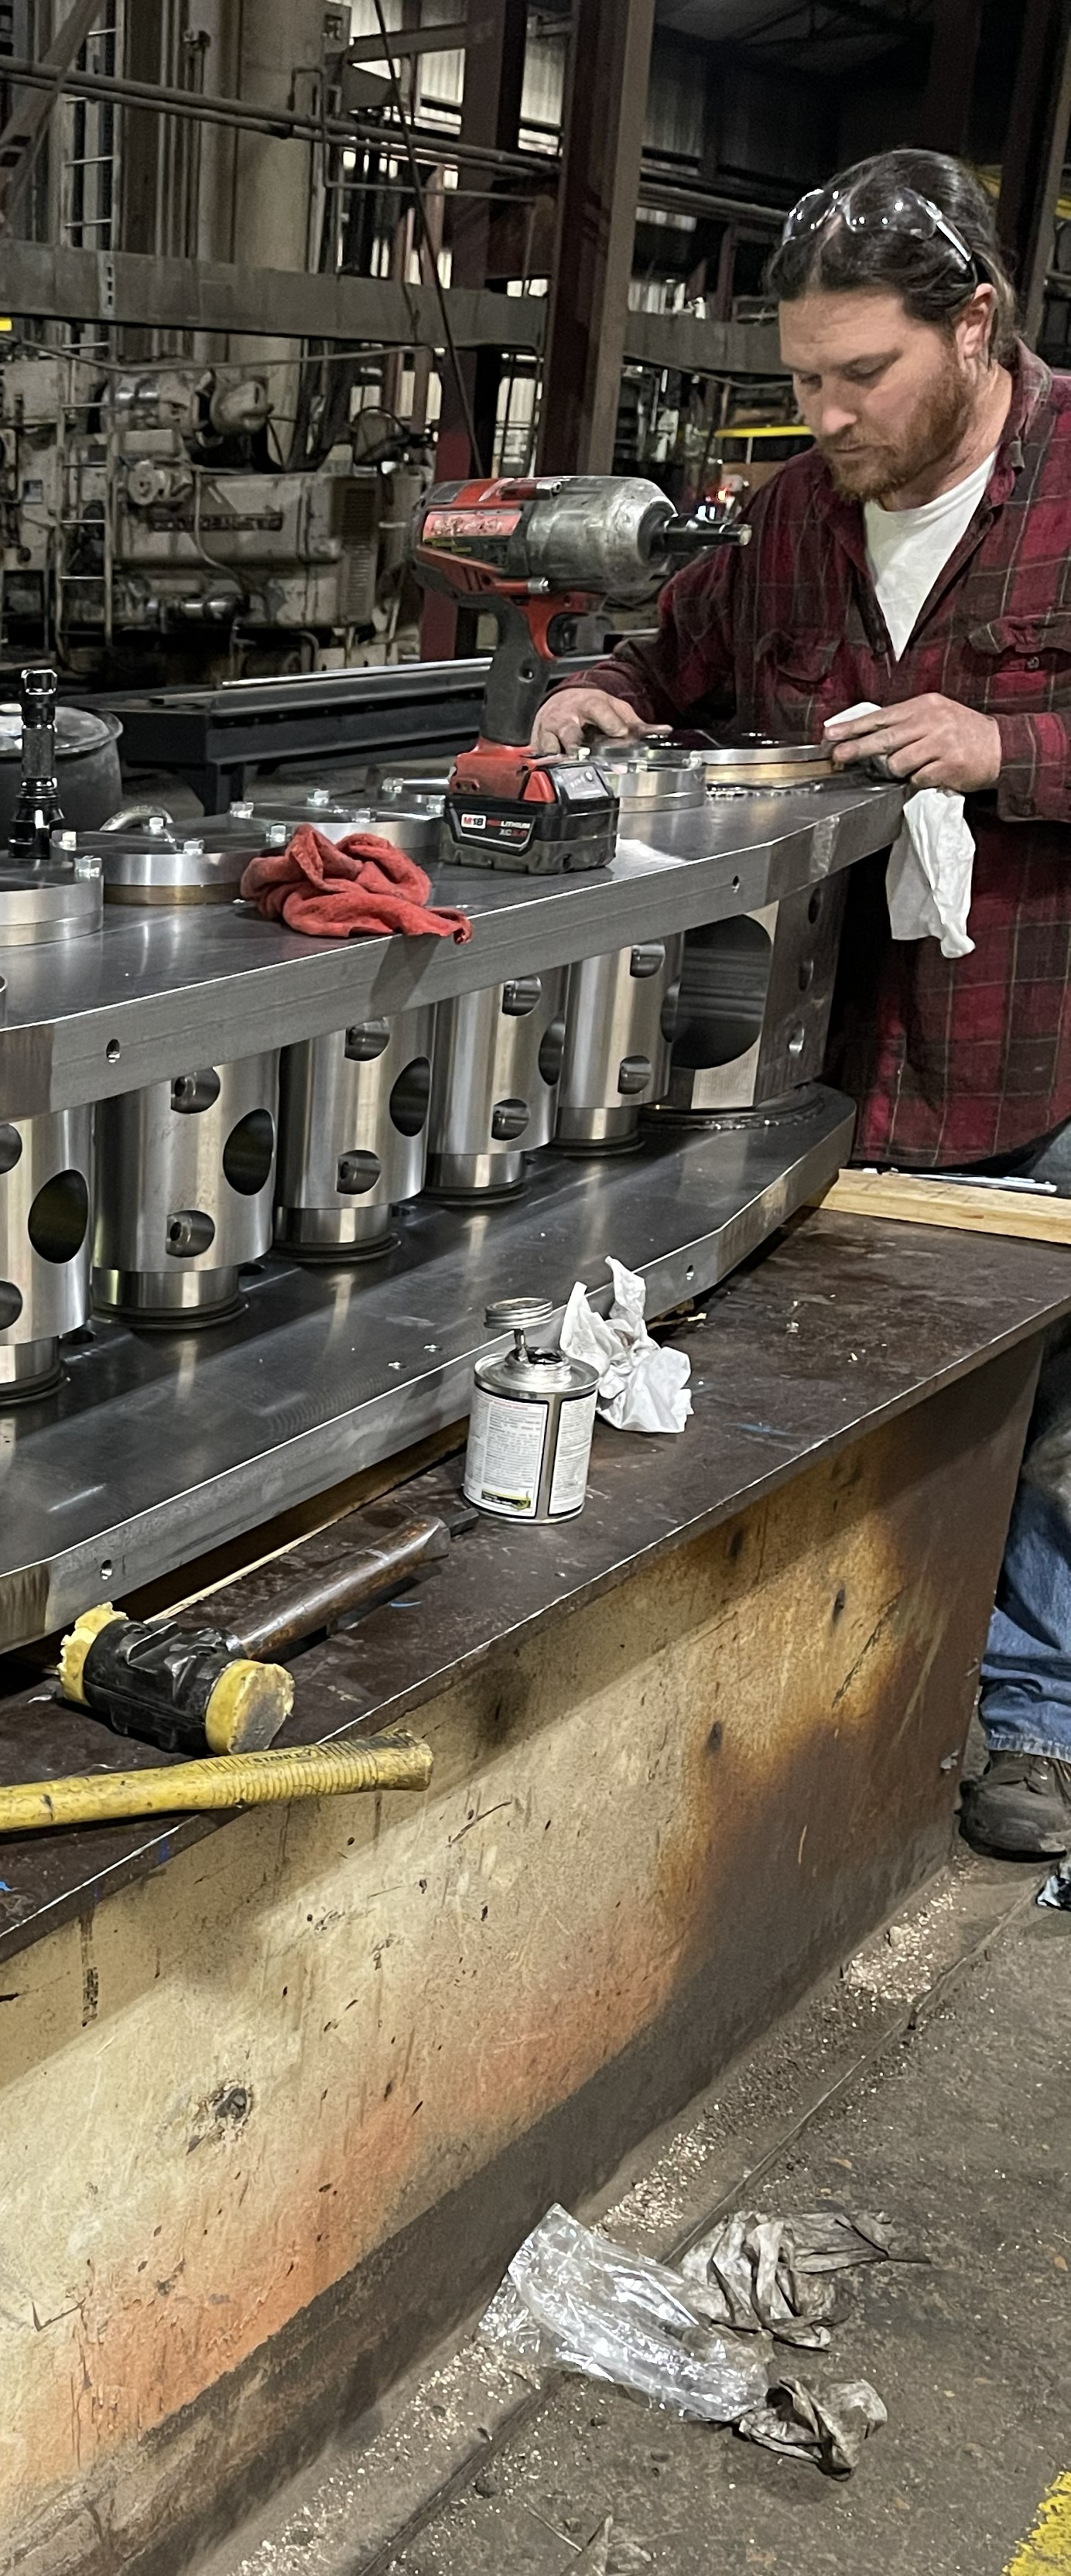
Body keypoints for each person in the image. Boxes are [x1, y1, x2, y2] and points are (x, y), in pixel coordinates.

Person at [533, 149, 1071, 1862]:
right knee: (849, 1393)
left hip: (1035, 1056)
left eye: (865, 376)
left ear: (975, 326)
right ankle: (840, 1696)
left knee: (1043, 1413)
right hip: (823, 1061)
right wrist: (590, 701)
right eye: (802, 386)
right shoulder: (785, 525)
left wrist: (1011, 748)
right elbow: (657, 659)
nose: (828, 417)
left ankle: (1035, 1715)